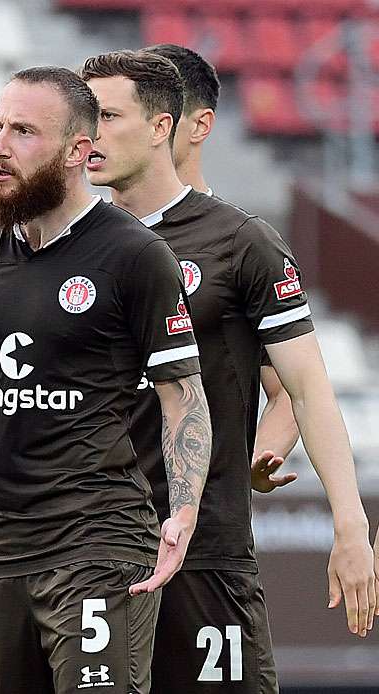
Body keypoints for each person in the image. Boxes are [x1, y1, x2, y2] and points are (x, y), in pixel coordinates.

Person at [0, 66, 212, 693]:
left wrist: (184, 509)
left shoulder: (134, 254)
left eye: (23, 132)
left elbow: (181, 393)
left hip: (99, 544)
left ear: (79, 151)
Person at [81, 50, 375, 693]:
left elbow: (299, 389)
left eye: (110, 115)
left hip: (204, 546)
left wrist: (347, 522)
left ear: (182, 123)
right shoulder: (72, 243)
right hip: (88, 547)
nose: (95, 133)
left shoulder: (241, 243)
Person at [141, 43, 300, 492]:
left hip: (205, 528)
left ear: (199, 125)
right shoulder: (87, 240)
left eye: (159, 116)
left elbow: (293, 388)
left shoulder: (240, 243)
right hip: (92, 525)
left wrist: (255, 456)